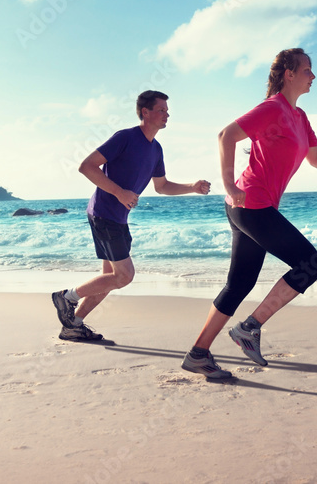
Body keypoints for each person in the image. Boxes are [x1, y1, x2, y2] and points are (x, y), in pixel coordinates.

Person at [182, 48, 317, 379]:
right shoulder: (272, 109)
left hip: (249, 208)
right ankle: (249, 327)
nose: (313, 76)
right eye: (308, 70)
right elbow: (226, 136)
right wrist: (229, 184)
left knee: (239, 284)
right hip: (250, 204)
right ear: (289, 74)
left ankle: (198, 354)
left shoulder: (300, 117)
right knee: (309, 264)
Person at [51, 90, 211, 341]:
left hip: (117, 218)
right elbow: (86, 166)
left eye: (167, 111)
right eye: (161, 110)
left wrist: (191, 187)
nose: (166, 114)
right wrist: (119, 192)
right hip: (104, 213)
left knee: (110, 279)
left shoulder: (156, 149)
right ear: (145, 112)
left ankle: (74, 324)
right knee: (123, 276)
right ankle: (66, 297)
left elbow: (162, 186)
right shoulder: (125, 138)